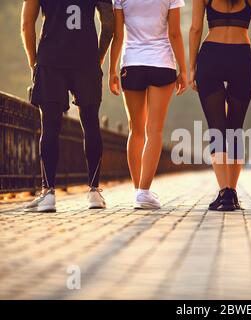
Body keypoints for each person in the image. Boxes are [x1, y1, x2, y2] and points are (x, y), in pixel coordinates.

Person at [22, 0, 114, 212]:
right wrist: (97, 57)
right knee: (91, 124)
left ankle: (48, 193)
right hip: (86, 60)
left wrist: (34, 62)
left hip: (51, 60)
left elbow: (27, 23)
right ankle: (93, 192)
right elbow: (109, 23)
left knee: (50, 127)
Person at [109, 0, 188, 209]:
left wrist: (111, 71)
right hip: (162, 63)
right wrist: (184, 70)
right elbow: (175, 34)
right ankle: (144, 192)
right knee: (154, 131)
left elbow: (117, 36)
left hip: (132, 64)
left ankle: (139, 192)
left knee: (136, 131)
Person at [189, 0, 251, 211]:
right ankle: (232, 193)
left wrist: (191, 67)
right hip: (241, 56)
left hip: (211, 55)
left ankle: (224, 192)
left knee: (217, 129)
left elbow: (196, 28)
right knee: (235, 129)